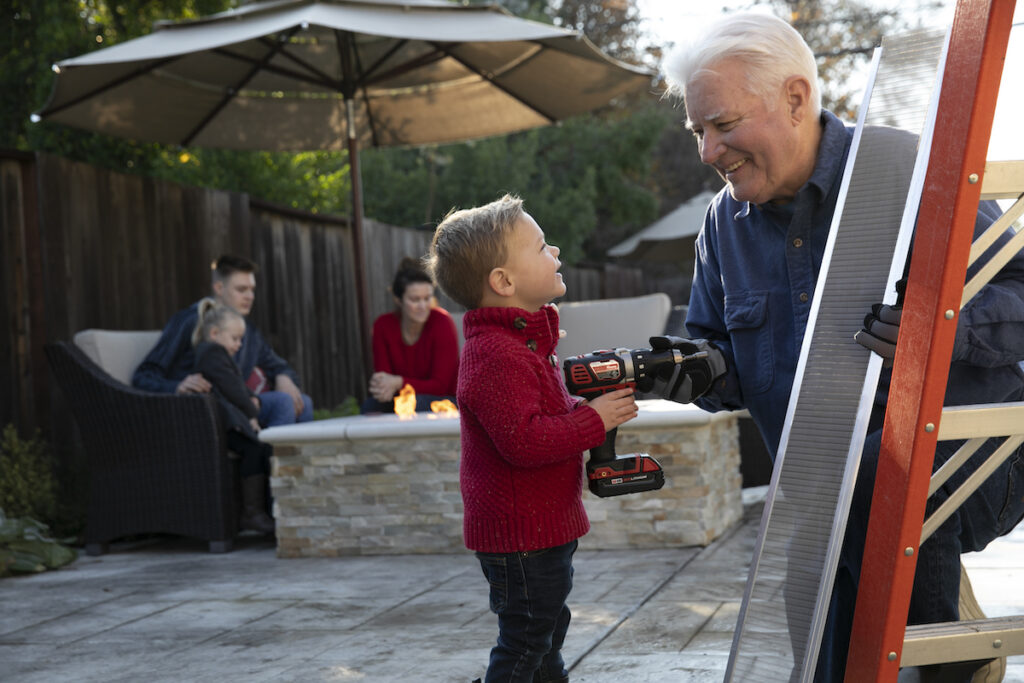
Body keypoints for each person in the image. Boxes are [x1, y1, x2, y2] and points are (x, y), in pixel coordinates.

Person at [656, 13, 1024, 683]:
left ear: (797, 99)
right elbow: (719, 357)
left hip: (981, 462)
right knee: (815, 593)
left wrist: (942, 326)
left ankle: (948, 664)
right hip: (838, 492)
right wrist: (690, 370)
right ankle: (959, 650)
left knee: (871, 504)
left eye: (724, 125)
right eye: (698, 132)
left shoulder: (910, 171)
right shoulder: (722, 223)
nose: (708, 151)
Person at [426, 194, 638, 683]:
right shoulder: (495, 356)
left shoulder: (522, 345)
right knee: (525, 644)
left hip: (540, 532)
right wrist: (594, 421)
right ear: (504, 282)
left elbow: (545, 415)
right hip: (521, 539)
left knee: (544, 639)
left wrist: (589, 408)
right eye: (542, 247)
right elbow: (523, 441)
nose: (557, 252)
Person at [133, 254, 313, 428]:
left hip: (239, 405)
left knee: (303, 403)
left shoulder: (248, 332)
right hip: (202, 409)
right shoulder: (191, 321)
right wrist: (177, 386)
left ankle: (297, 459)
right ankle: (272, 457)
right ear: (219, 288)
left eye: (252, 290)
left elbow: (278, 365)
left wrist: (284, 378)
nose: (250, 296)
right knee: (282, 403)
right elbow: (144, 375)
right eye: (242, 289)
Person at [191, 298, 275, 535]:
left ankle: (262, 510)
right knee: (254, 448)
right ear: (215, 333)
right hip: (220, 423)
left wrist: (251, 397)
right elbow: (231, 387)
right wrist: (252, 412)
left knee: (261, 447)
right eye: (235, 338)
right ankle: (252, 513)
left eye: (241, 339)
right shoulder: (211, 353)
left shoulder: (215, 353)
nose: (239, 345)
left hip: (226, 420)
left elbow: (236, 383)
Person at [362, 256, 459, 413]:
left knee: (416, 404)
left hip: (444, 400)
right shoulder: (383, 325)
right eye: (415, 299)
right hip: (403, 398)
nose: (422, 306)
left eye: (427, 298)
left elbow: (440, 386)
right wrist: (382, 386)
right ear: (398, 300)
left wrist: (398, 382)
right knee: (370, 407)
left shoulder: (442, 322)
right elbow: (384, 377)